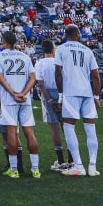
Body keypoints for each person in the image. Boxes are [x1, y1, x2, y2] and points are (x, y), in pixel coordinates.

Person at [55, 25, 101, 177]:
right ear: (76, 34)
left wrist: (60, 95)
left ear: (66, 34)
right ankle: (92, 167)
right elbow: (95, 75)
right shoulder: (87, 50)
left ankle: (78, 166)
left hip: (70, 92)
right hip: (87, 93)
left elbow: (58, 73)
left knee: (69, 127)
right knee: (90, 129)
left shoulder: (61, 49)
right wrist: (96, 96)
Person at [0, 31, 39, 179]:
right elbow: (33, 78)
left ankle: (14, 169)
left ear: (4, 41)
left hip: (9, 100)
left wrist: (13, 93)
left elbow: (0, 79)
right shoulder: (25, 56)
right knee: (29, 133)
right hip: (25, 99)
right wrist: (24, 93)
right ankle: (35, 169)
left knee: (11, 133)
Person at [33, 39, 72, 172]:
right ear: (53, 48)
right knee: (66, 126)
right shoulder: (59, 61)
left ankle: (61, 161)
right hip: (62, 92)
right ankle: (71, 160)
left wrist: (49, 100)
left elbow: (41, 84)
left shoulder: (40, 63)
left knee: (54, 128)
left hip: (48, 93)